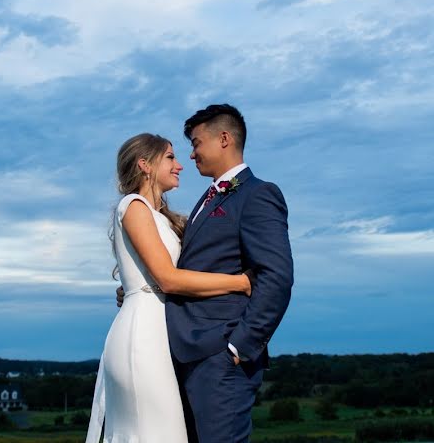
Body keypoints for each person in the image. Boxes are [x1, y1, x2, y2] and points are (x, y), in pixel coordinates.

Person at [118, 103, 294, 443]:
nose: (192, 155)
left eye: (197, 143)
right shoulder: (205, 200)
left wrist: (239, 346)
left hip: (220, 356)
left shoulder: (258, 195)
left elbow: (276, 277)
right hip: (181, 354)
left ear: (224, 139)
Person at [86, 133, 252, 443]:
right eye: (170, 157)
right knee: (149, 430)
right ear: (145, 165)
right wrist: (241, 282)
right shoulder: (133, 206)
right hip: (143, 336)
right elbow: (168, 279)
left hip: (164, 333)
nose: (180, 165)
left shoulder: (162, 218)